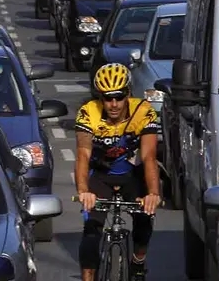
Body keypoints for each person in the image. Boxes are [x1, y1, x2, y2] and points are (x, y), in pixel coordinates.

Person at [74, 63, 161, 281]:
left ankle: (138, 262)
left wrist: (153, 193)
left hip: (132, 175)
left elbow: (149, 156)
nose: (113, 104)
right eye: (107, 98)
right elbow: (83, 154)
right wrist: (84, 191)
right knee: (91, 233)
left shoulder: (143, 111)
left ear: (128, 94)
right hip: (101, 176)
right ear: (100, 98)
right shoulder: (88, 113)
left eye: (119, 97)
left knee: (144, 219)